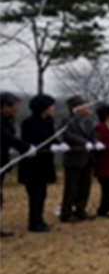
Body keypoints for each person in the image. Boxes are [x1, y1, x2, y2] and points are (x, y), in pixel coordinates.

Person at [18, 95, 57, 233]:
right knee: (35, 193)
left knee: (42, 193)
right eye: (50, 106)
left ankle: (39, 220)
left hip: (45, 163)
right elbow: (29, 140)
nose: (53, 109)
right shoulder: (29, 123)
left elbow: (52, 138)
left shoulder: (49, 122)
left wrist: (58, 145)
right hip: (32, 164)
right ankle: (34, 222)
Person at [61, 95, 98, 222]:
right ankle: (66, 212)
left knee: (85, 185)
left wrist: (95, 142)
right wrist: (83, 142)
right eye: (84, 105)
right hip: (74, 158)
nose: (87, 108)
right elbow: (67, 134)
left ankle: (80, 209)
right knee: (71, 187)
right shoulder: (67, 120)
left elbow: (93, 134)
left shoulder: (88, 120)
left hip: (88, 157)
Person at [1, 92, 33, 237]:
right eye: (14, 106)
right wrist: (25, 147)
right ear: (4, 106)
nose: (17, 109)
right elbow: (6, 137)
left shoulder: (9, 119)